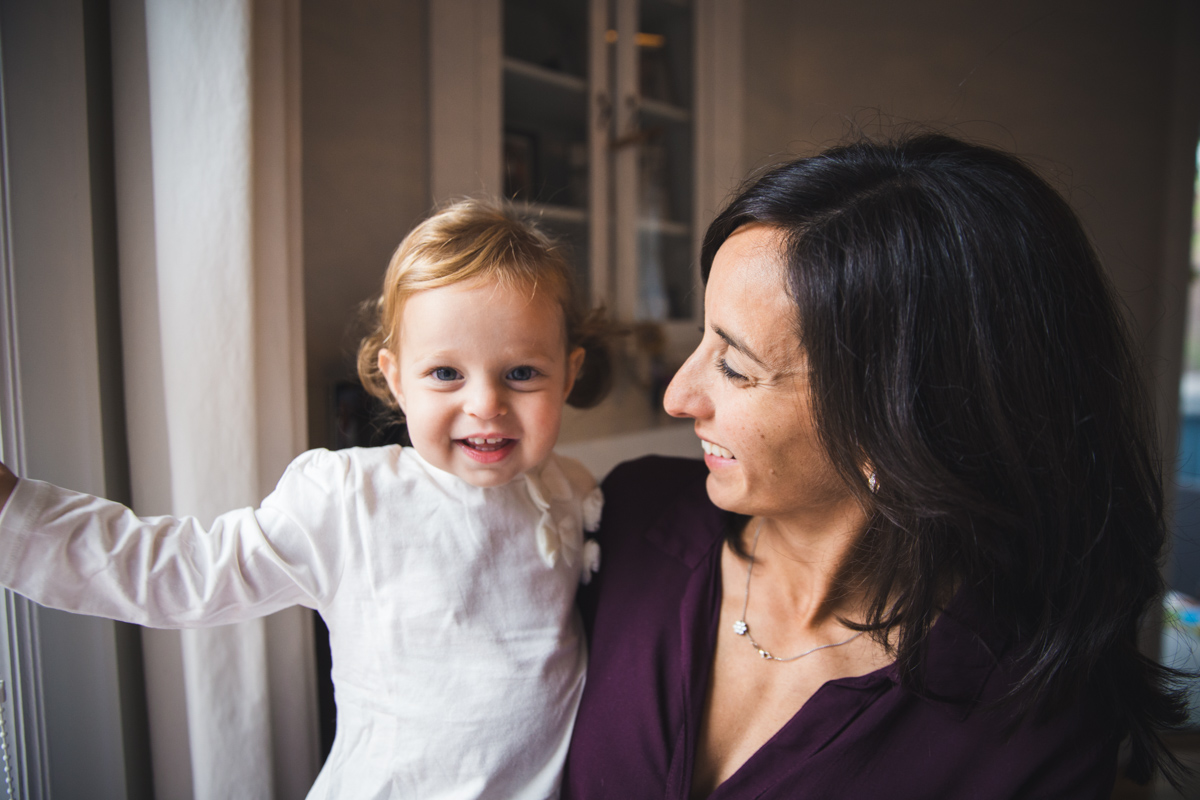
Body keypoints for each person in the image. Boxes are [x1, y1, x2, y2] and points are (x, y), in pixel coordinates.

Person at [562, 134, 1188, 798]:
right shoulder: (625, 518)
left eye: (736, 366)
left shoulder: (1026, 726)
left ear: (896, 427)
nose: (678, 397)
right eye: (702, 338)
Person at [0, 199, 611, 799]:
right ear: (396, 380)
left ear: (568, 371)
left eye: (522, 373)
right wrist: (14, 516)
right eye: (446, 374)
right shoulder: (351, 501)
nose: (486, 404)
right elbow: (185, 572)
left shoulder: (573, 489)